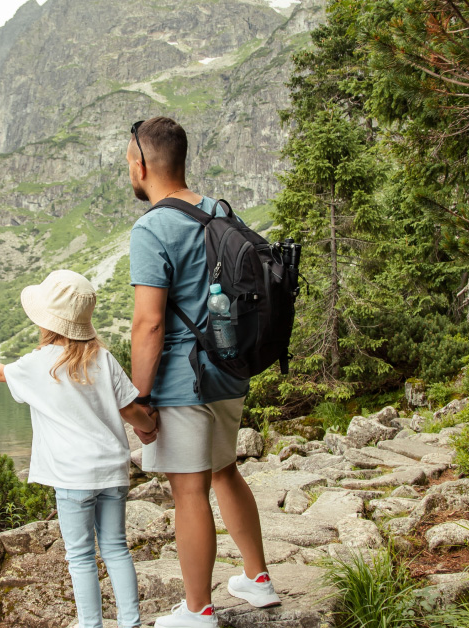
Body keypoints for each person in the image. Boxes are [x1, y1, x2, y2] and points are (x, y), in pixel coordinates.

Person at [125, 117, 282, 628]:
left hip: (181, 380)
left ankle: (198, 611)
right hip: (230, 368)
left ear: (141, 163)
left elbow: (149, 324)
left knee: (188, 491)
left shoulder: (152, 227)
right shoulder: (217, 211)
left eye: (129, 159)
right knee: (225, 470)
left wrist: (139, 397)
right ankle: (257, 580)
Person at [0, 269, 159, 628]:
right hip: (112, 472)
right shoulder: (103, 358)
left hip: (72, 478)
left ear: (46, 321)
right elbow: (131, 410)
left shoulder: (38, 364)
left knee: (81, 555)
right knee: (116, 547)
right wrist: (149, 429)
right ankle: (130, 622)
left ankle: (91, 624)